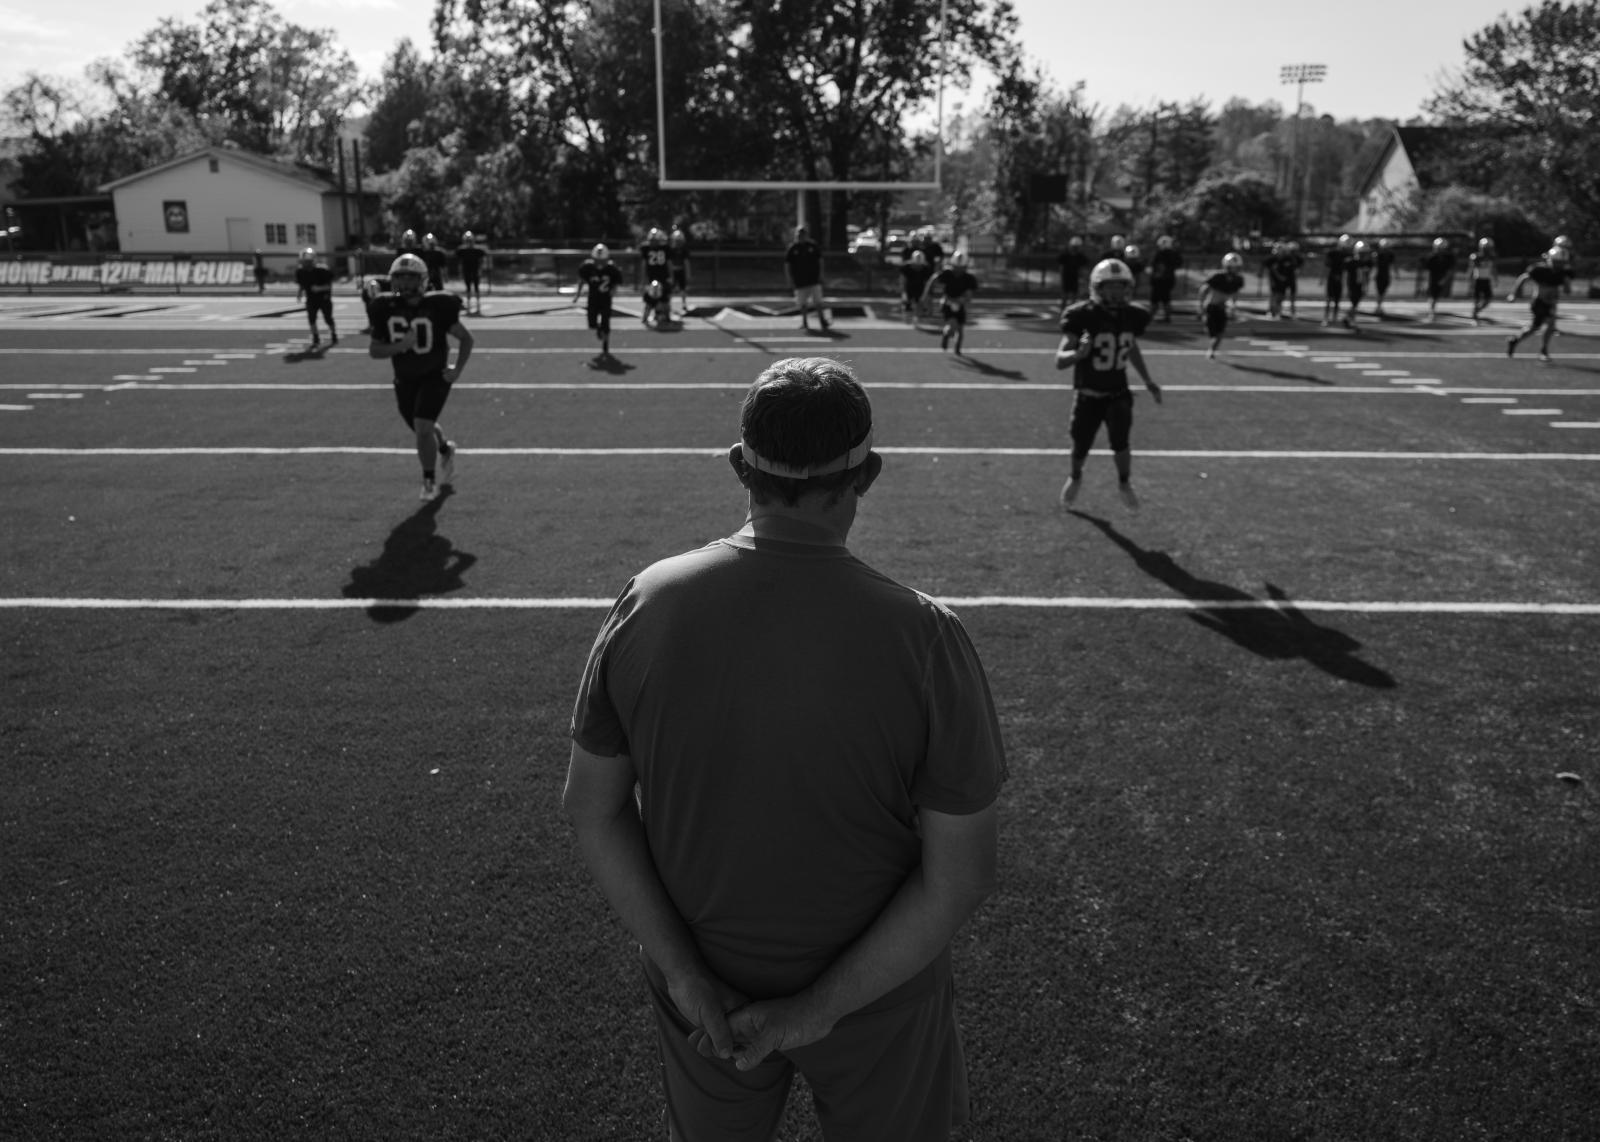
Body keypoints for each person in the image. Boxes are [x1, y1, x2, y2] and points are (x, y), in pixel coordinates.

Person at [564, 355, 1006, 1142]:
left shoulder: (649, 600)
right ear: (867, 475)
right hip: (879, 993)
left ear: (741, 466)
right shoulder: (925, 635)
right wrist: (817, 1011)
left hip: (706, 989)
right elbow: (961, 873)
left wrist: (685, 972)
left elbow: (592, 812)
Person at [1055, 258, 1163, 510]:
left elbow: (1130, 345)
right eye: (1110, 286)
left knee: (1121, 443)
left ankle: (1124, 483)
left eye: (1120, 286)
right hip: (1087, 394)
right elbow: (1059, 361)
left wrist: (1147, 380)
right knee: (1080, 445)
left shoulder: (1133, 315)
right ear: (1098, 288)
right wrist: (1077, 354)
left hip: (1118, 393)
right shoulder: (1081, 316)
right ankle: (1075, 477)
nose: (1116, 292)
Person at [367, 253, 472, 502]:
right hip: (405, 378)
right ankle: (445, 448)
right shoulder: (385, 307)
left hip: (435, 376)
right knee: (420, 427)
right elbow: (374, 350)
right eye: (399, 278)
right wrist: (402, 345)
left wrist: (456, 369)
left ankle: (428, 481)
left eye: (410, 278)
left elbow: (466, 338)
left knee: (423, 427)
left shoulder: (438, 306)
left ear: (422, 280)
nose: (404, 284)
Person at [1506, 245, 1574, 363]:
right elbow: (1523, 278)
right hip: (1539, 302)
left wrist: (1567, 282)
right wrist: (1514, 294)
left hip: (1551, 303)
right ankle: (1542, 350)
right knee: (1545, 325)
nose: (1559, 265)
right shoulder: (1540, 270)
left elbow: (1568, 291)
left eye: (1561, 263)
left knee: (1538, 327)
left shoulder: (1563, 273)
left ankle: (1517, 341)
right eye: (1557, 262)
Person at [923, 249, 979, 353]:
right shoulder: (947, 273)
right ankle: (946, 335)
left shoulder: (969, 278)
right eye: (956, 267)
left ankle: (957, 349)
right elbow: (933, 279)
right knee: (951, 325)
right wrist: (927, 293)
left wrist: (963, 301)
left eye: (960, 268)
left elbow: (969, 295)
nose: (958, 270)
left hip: (960, 304)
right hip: (948, 302)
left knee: (960, 330)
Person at [575, 243, 625, 358]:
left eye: (602, 261)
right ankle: (598, 330)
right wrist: (577, 294)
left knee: (606, 322)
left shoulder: (612, 269)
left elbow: (617, 282)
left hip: (605, 298)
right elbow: (582, 280)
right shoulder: (587, 267)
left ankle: (605, 345)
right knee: (592, 323)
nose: (600, 263)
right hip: (592, 298)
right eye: (598, 260)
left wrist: (614, 290)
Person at [1199, 252, 1247, 357]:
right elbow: (1203, 290)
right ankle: (1211, 347)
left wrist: (1233, 306)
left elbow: (1235, 293)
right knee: (1212, 332)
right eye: (1233, 267)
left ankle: (1211, 350)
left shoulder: (1238, 279)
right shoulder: (1217, 276)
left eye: (1237, 267)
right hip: (1211, 306)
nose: (1236, 270)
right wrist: (1201, 305)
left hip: (1223, 308)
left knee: (1220, 333)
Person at [785, 225, 830, 333]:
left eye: (802, 234)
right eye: (799, 234)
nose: (801, 236)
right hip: (800, 280)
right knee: (802, 303)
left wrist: (821, 275)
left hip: (813, 279)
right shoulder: (793, 248)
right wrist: (789, 279)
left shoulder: (812, 246)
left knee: (818, 302)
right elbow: (787, 264)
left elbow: (820, 261)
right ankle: (805, 322)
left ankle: (822, 321)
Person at [293, 246, 337, 348]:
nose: (306, 263)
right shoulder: (301, 272)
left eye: (308, 261)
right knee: (311, 319)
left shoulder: (322, 270)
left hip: (324, 298)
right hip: (311, 299)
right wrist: (299, 293)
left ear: (313, 261)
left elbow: (328, 286)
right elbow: (302, 284)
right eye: (304, 261)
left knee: (328, 319)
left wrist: (319, 288)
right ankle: (315, 337)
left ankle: (333, 334)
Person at [639, 227, 672, 327]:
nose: (653, 242)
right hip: (654, 276)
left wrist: (671, 276)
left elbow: (669, 263)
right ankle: (648, 317)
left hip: (660, 276)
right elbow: (644, 264)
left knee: (664, 298)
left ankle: (664, 316)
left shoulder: (664, 248)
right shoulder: (663, 248)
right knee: (651, 298)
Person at [1147, 236, 1183, 322]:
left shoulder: (1159, 254)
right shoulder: (1174, 254)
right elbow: (1179, 263)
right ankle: (1166, 316)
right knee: (1166, 298)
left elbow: (1154, 265)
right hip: (1169, 279)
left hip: (1159, 280)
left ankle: (1151, 316)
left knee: (1155, 299)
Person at [1423, 237, 1456, 322]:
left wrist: (1444, 279)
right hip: (1433, 278)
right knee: (1433, 296)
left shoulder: (1448, 257)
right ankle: (1432, 312)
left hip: (1442, 277)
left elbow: (1450, 270)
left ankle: (1432, 311)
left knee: (1436, 296)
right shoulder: (1432, 257)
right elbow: (1428, 271)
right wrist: (1426, 282)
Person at [1342, 240, 1373, 329]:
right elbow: (1346, 275)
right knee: (1354, 304)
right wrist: (1346, 287)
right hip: (1352, 285)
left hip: (1359, 285)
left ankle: (1349, 318)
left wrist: (1365, 286)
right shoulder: (1351, 262)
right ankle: (1350, 319)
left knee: (1355, 304)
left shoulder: (1364, 263)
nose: (1364, 255)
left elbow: (1366, 276)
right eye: (1362, 253)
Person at [898, 248, 933, 325]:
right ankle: (906, 319)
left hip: (920, 288)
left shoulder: (926, 268)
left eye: (919, 265)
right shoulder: (906, 267)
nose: (917, 267)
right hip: (909, 287)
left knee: (919, 303)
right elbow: (902, 279)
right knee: (907, 304)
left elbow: (928, 282)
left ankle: (916, 319)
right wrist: (903, 291)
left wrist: (927, 293)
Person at [1322, 234, 1351, 325]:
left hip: (1340, 279)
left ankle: (1334, 318)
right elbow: (1327, 267)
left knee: (1337, 300)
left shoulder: (1347, 255)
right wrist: (1322, 279)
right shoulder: (1333, 253)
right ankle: (1326, 318)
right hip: (1332, 278)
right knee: (1329, 299)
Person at [456, 231, 487, 316]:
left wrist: (481, 270)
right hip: (467, 271)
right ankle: (469, 307)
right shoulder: (462, 250)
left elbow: (482, 261)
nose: (469, 242)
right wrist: (460, 272)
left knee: (476, 288)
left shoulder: (478, 250)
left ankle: (477, 306)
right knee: (468, 289)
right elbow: (460, 262)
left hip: (475, 271)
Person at [1467, 237, 1497, 324]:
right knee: (1476, 299)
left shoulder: (1492, 257)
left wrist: (1495, 278)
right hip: (1478, 279)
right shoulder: (1476, 257)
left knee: (1487, 300)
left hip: (1486, 280)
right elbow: (1471, 269)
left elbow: (1493, 269)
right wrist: (1470, 279)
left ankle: (1476, 311)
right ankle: (1475, 313)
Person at [1264, 241, 1294, 320]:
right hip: (1274, 280)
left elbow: (1290, 269)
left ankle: (1278, 312)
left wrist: (1283, 277)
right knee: (1274, 296)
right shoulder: (1271, 259)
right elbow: (1267, 267)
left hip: (1283, 281)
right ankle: (1271, 311)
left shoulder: (1287, 259)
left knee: (1280, 297)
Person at [667, 227, 691, 315]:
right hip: (672, 271)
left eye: (679, 240)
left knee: (683, 288)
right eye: (676, 240)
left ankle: (684, 304)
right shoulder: (670, 249)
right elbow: (669, 262)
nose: (678, 242)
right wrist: (670, 274)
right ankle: (668, 304)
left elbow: (686, 262)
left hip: (681, 270)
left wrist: (688, 274)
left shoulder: (684, 250)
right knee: (670, 289)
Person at [1058, 236, 1089, 304]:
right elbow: (1061, 267)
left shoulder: (1081, 257)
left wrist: (1083, 279)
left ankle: (1071, 310)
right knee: (1065, 295)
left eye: (1076, 247)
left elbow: (1083, 269)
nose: (1075, 249)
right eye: (1074, 247)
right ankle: (1063, 310)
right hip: (1066, 277)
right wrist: (1061, 278)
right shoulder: (1064, 255)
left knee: (1074, 296)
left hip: (1075, 278)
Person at [1372, 238, 1397, 316]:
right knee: (1379, 292)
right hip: (1379, 275)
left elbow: (1392, 265)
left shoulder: (1390, 254)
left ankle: (1379, 306)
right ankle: (1378, 307)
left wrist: (1395, 273)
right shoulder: (1377, 254)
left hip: (1386, 275)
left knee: (1383, 292)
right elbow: (1374, 264)